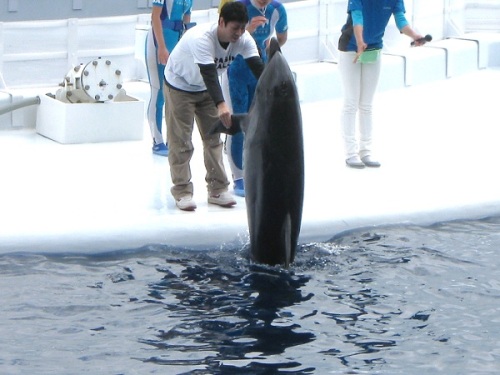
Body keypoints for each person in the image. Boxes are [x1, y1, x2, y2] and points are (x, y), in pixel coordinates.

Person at [164, 1, 265, 211]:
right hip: (180, 86)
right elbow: (209, 73)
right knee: (181, 141)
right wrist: (221, 105)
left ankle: (218, 189)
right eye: (234, 28)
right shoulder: (202, 38)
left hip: (206, 90)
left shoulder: (244, 39)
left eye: (242, 28)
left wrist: (273, 96)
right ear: (221, 22)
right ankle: (182, 191)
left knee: (214, 138)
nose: (238, 33)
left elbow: (259, 69)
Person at [338, 0, 424, 168]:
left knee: (366, 104)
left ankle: (366, 151)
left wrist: (415, 35)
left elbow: (400, 20)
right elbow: (357, 17)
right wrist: (360, 40)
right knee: (351, 102)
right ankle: (351, 153)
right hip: (351, 49)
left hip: (374, 49)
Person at [223, 0, 288, 197]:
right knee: (237, 121)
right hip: (235, 71)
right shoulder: (239, 7)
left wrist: (271, 43)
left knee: (257, 123)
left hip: (259, 71)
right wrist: (248, 30)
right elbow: (226, 41)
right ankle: (238, 176)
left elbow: (282, 37)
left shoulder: (277, 9)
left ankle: (252, 169)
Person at [145, 0, 194, 156]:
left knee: (174, 94)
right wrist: (161, 47)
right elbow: (155, 17)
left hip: (176, 43)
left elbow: (187, 18)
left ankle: (171, 139)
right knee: (158, 92)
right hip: (159, 42)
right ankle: (157, 140)